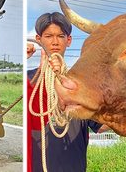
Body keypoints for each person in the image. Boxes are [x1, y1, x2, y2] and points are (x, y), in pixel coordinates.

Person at [27, 12, 104, 172]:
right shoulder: (28, 81)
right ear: (38, 39)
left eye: (60, 36)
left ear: (68, 40)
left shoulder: (82, 84)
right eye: (48, 36)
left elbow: (100, 126)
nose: (55, 42)